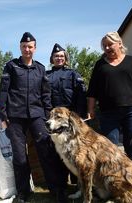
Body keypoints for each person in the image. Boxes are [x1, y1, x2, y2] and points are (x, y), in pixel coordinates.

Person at [0, 32, 67, 203]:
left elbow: (45, 94)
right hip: (15, 116)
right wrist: (3, 114)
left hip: (37, 115)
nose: (27, 49)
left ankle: (56, 188)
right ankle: (24, 191)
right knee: (20, 156)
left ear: (35, 48)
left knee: (46, 151)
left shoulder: (41, 68)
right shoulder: (11, 66)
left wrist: (48, 115)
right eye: (24, 47)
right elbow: (4, 91)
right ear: (20, 48)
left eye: (30, 47)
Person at [87, 31, 132, 164]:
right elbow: (92, 91)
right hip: (108, 113)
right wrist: (90, 109)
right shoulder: (100, 65)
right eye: (104, 46)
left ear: (119, 43)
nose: (107, 48)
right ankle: (115, 178)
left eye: (110, 44)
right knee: (109, 147)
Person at [46, 43, 87, 187]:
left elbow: (81, 96)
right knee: (57, 153)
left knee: (75, 151)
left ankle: (77, 183)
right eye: (56, 56)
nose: (59, 58)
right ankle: (61, 184)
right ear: (52, 58)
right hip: (54, 120)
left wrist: (80, 116)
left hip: (72, 119)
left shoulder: (73, 74)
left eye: (61, 56)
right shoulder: (46, 75)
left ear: (65, 58)